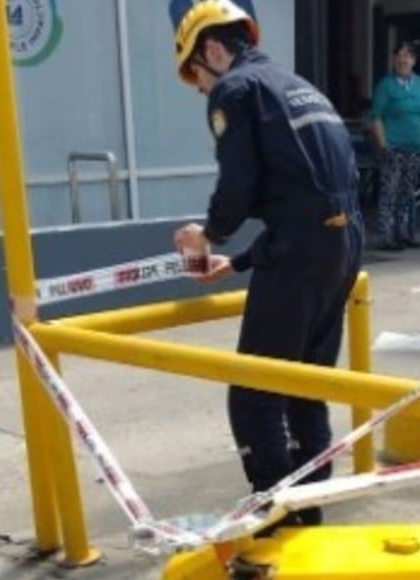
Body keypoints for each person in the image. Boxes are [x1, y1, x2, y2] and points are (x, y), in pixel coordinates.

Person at [168, 0, 364, 530]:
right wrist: (237, 263)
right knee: (304, 387)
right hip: (342, 249)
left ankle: (272, 515)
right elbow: (310, 203)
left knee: (254, 394)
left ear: (213, 50)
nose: (203, 90)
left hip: (302, 255)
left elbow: (239, 186)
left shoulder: (237, 90)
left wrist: (206, 235)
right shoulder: (301, 87)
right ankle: (307, 508)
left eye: (198, 78)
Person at [371, 42, 420, 251]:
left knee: (407, 193)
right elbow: (376, 117)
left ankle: (403, 233)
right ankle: (387, 235)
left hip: (416, 148)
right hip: (393, 148)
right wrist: (383, 146)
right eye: (399, 56)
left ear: (414, 61)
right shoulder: (385, 85)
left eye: (407, 56)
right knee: (390, 191)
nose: (402, 60)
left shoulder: (419, 83)